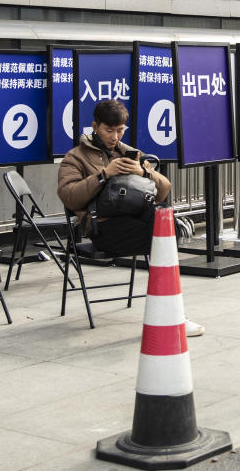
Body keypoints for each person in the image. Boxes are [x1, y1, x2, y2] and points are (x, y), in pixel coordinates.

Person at [58, 98, 202, 337]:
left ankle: (170, 314)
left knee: (164, 224)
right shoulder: (75, 157)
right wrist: (104, 175)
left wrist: (143, 171)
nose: (114, 136)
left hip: (135, 223)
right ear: (95, 126)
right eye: (109, 130)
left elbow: (164, 189)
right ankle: (171, 316)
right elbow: (69, 197)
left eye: (120, 131)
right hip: (103, 229)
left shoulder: (131, 154)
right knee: (163, 236)